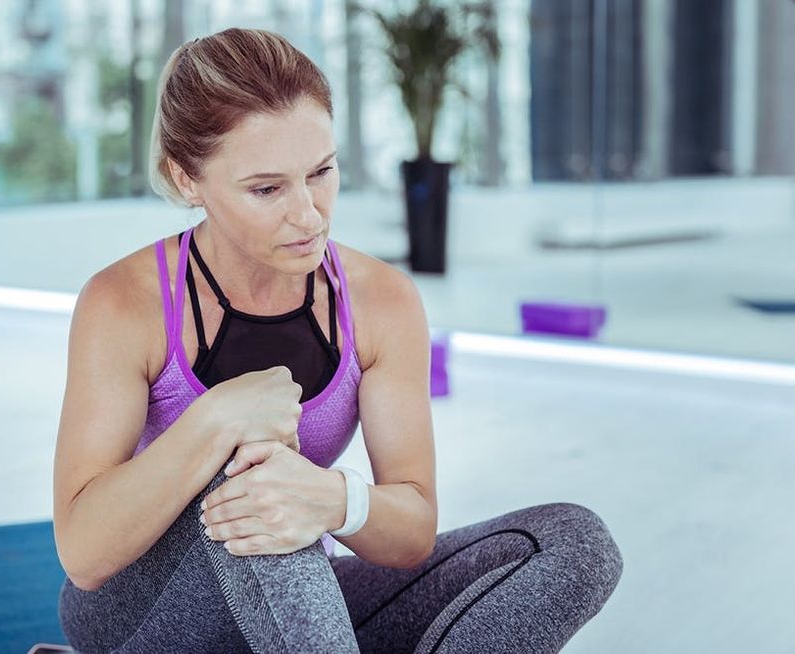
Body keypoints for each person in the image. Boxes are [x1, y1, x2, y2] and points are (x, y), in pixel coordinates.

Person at [52, 27, 623, 653]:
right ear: (186, 178)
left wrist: (332, 499)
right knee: (251, 473)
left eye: (321, 172)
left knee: (574, 543)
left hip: (298, 597)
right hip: (140, 612)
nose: (310, 214)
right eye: (267, 189)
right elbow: (83, 553)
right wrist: (215, 420)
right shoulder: (124, 302)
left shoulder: (382, 300)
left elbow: (411, 534)